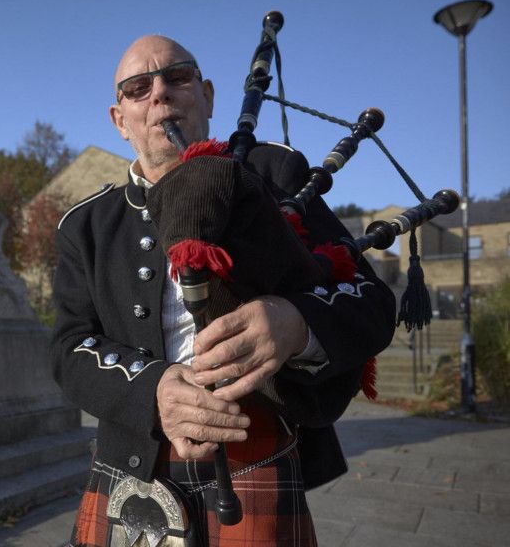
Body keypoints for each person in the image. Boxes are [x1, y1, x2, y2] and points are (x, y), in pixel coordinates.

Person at [51, 35, 396, 546]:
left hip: (256, 456)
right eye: (138, 88)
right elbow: (68, 347)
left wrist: (294, 324)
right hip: (128, 468)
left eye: (178, 77)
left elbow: (371, 302)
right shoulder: (86, 224)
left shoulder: (275, 176)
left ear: (208, 96)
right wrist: (155, 392)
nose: (160, 95)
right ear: (119, 120)